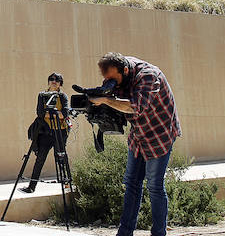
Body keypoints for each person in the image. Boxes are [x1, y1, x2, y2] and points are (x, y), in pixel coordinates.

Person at [91, 53, 181, 236]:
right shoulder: (119, 72)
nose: (111, 82)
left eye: (113, 79)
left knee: (154, 185)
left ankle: (159, 233)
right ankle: (124, 233)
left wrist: (106, 100)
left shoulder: (148, 75)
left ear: (125, 70)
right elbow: (115, 101)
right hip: (139, 134)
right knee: (131, 183)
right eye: (106, 79)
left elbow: (136, 107)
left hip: (160, 133)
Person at [20, 72, 71, 193]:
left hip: (60, 131)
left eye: (57, 80)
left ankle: (67, 184)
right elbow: (40, 113)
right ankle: (31, 187)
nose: (54, 81)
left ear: (60, 84)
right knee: (40, 159)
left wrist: (51, 114)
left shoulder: (63, 96)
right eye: (52, 79)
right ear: (48, 81)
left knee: (61, 157)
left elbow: (65, 114)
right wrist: (56, 114)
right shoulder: (42, 95)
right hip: (45, 132)